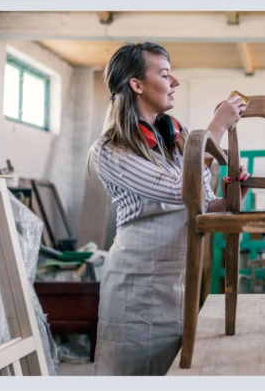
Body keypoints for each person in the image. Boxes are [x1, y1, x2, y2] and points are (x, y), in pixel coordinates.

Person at [87, 42, 250, 375]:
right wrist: (215, 128)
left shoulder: (178, 141)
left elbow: (207, 203)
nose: (174, 82)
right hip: (134, 290)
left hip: (178, 287)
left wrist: (236, 191)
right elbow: (180, 191)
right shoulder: (109, 150)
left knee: (173, 373)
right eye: (164, 74)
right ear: (137, 84)